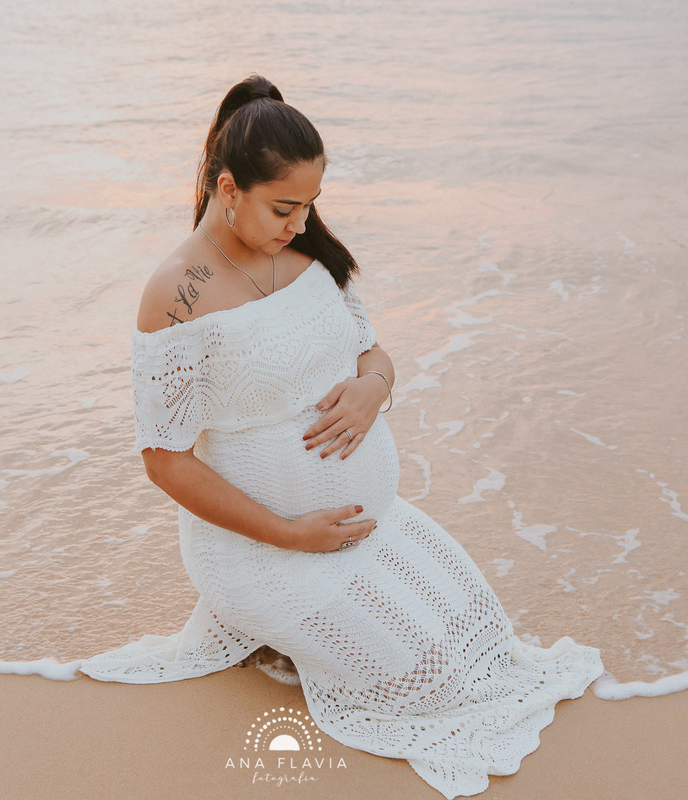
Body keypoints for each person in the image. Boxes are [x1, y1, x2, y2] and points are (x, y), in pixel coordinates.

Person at [80, 74, 604, 799]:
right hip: (260, 549)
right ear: (229, 188)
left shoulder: (310, 258)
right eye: (284, 207)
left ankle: (297, 633)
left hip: (370, 528)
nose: (300, 224)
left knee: (484, 648)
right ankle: (273, 627)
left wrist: (373, 388)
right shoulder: (178, 292)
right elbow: (164, 462)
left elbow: (371, 352)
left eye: (311, 204)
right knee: (423, 688)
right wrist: (289, 533)